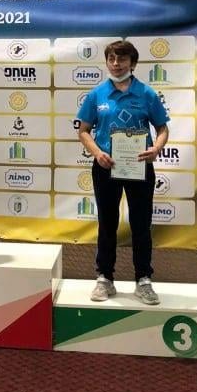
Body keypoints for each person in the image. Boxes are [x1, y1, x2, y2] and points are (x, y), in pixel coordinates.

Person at [76, 40, 169, 305]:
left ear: (133, 63)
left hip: (140, 166)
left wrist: (156, 148)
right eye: (112, 59)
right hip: (106, 167)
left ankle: (144, 279)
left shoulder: (147, 93)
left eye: (122, 59)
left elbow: (162, 128)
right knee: (107, 223)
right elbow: (83, 130)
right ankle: (105, 278)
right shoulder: (97, 94)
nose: (116, 64)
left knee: (141, 224)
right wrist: (97, 153)